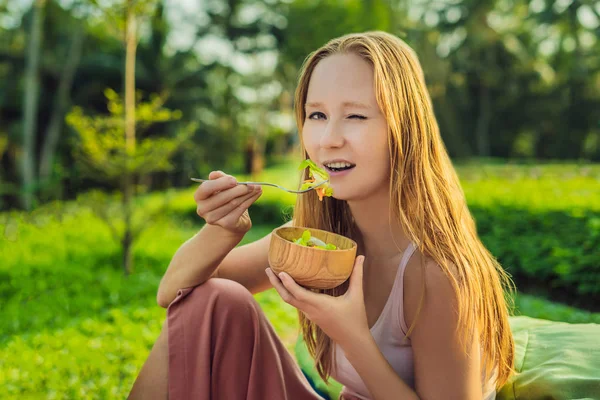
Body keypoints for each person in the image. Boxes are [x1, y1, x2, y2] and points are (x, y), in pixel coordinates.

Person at [128, 30, 515, 400]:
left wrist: (351, 335)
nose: (328, 139)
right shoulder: (318, 239)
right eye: (316, 115)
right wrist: (221, 231)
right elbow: (174, 295)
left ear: (404, 131)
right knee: (214, 299)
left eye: (356, 116)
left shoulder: (439, 273)